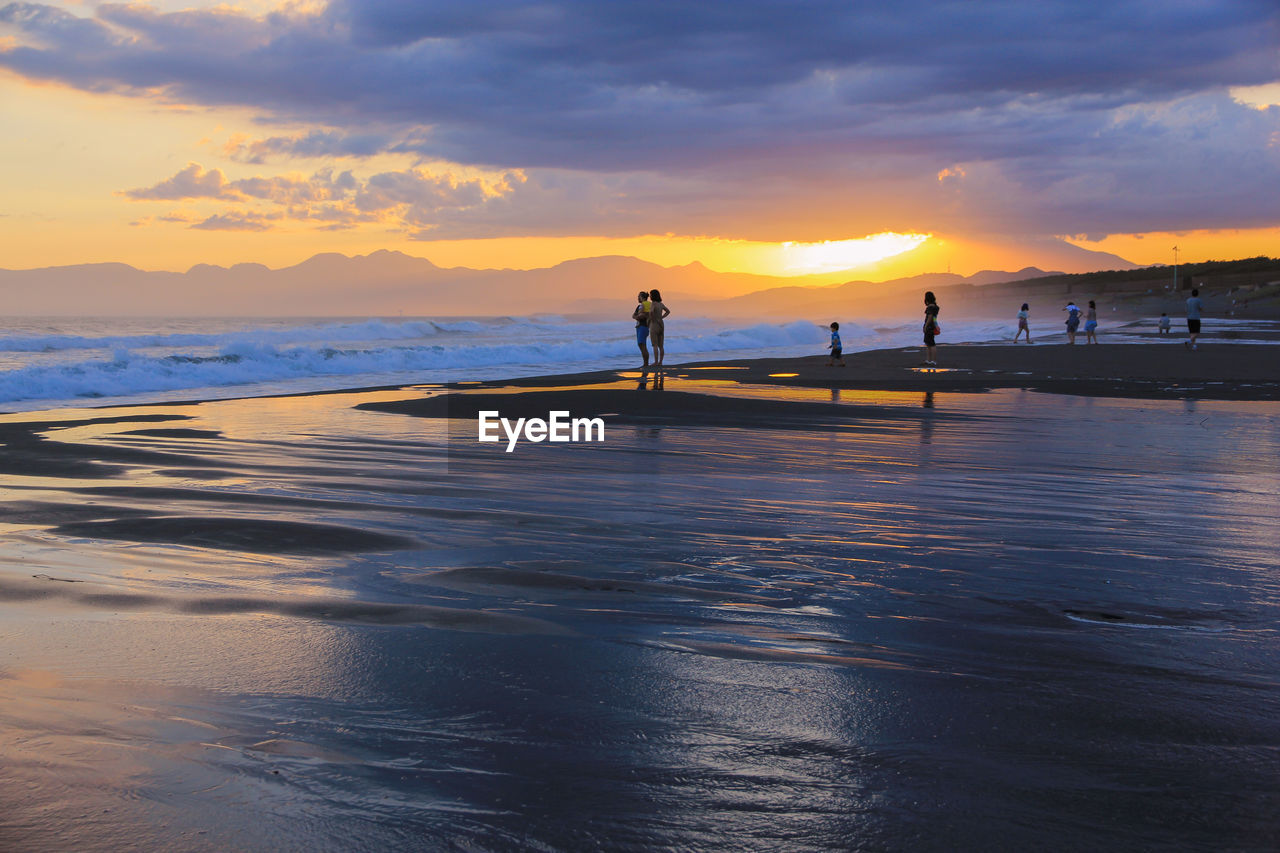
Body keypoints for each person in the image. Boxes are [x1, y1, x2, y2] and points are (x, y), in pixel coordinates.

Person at [647, 288, 671, 365]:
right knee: (661, 345)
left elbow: (651, 312)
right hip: (661, 323)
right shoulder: (661, 304)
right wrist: (662, 317)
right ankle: (660, 362)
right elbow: (668, 311)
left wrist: (651, 319)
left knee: (655, 345)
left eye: (650, 295)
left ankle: (656, 362)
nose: (650, 296)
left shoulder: (653, 304)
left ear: (653, 296)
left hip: (654, 324)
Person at [632, 291, 651, 366]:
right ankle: (645, 363)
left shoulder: (645, 305)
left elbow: (642, 316)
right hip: (640, 327)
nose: (637, 298)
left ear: (642, 297)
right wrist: (638, 316)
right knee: (642, 345)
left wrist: (639, 316)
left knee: (642, 345)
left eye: (638, 296)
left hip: (643, 326)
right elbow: (633, 315)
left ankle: (646, 364)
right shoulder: (639, 306)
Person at [922, 291, 940, 366]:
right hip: (933, 326)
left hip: (929, 326)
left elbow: (930, 317)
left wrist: (925, 326)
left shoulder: (930, 307)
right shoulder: (935, 307)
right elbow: (934, 318)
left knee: (931, 344)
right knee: (929, 343)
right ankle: (930, 360)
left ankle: (933, 361)